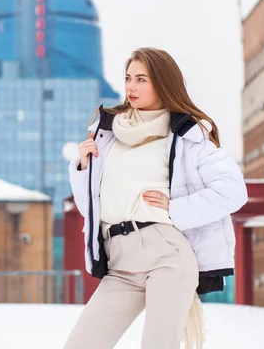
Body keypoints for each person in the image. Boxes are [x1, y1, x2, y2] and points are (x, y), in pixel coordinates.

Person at [65, 48, 248, 349]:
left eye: (141, 79)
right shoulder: (108, 133)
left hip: (167, 257)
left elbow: (232, 191)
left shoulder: (188, 134)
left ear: (162, 83)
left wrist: (177, 210)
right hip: (120, 263)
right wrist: (83, 167)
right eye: (127, 79)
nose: (131, 87)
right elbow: (92, 209)